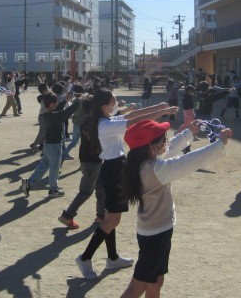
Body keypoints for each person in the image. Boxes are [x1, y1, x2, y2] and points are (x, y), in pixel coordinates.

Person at [120, 119, 231, 297]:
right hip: (155, 235)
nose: (167, 142)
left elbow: (170, 148)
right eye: (164, 139)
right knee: (138, 286)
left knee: (156, 281)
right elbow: (187, 161)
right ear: (153, 147)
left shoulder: (143, 162)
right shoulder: (154, 169)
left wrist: (189, 132)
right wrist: (219, 143)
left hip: (157, 231)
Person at [75, 89, 177, 281]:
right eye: (113, 101)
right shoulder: (105, 125)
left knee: (110, 218)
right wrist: (163, 111)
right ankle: (85, 257)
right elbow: (135, 121)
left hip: (114, 169)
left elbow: (133, 115)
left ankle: (112, 258)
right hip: (113, 171)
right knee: (112, 220)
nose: (116, 104)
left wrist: (159, 107)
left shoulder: (106, 120)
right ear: (104, 106)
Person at [20, 91, 81, 198]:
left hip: (48, 145)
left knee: (43, 166)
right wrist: (78, 102)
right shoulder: (55, 116)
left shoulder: (48, 114)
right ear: (52, 104)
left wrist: (65, 100)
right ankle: (53, 189)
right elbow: (67, 112)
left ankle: (28, 183)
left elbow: (59, 110)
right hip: (55, 146)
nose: (57, 104)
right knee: (54, 169)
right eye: (55, 102)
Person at [58, 98, 106, 229]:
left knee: (101, 189)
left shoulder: (90, 120)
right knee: (85, 192)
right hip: (91, 162)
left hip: (93, 161)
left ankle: (101, 215)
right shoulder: (91, 122)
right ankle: (67, 215)